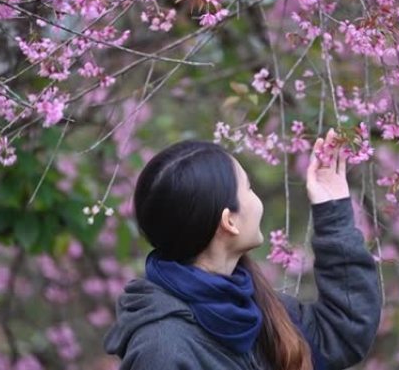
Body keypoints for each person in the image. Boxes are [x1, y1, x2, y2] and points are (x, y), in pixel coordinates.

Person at [103, 128, 381, 369]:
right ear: (229, 221)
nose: (255, 197)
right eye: (248, 188)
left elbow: (343, 332)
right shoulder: (163, 349)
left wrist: (332, 210)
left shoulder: (250, 304)